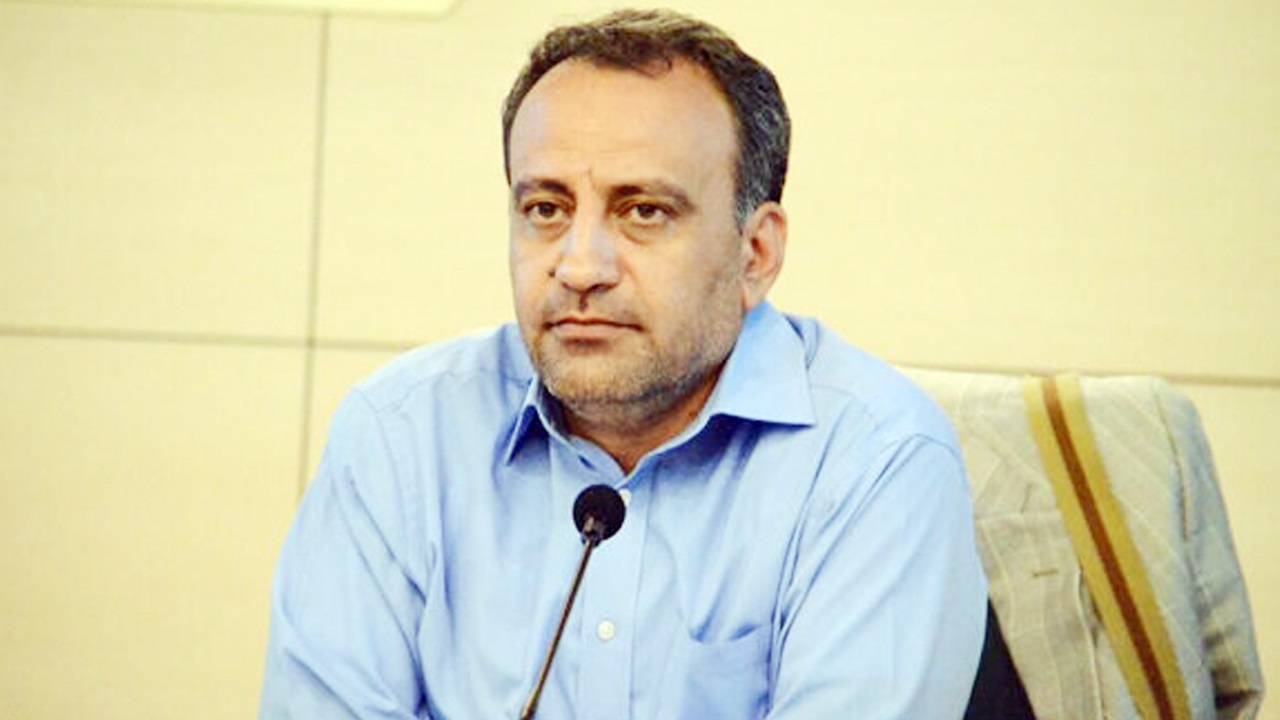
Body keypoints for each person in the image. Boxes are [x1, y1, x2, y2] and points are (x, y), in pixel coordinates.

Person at [259, 9, 987, 719]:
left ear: (755, 253)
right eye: (546, 209)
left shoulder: (876, 460)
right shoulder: (401, 436)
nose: (579, 267)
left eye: (643, 211)